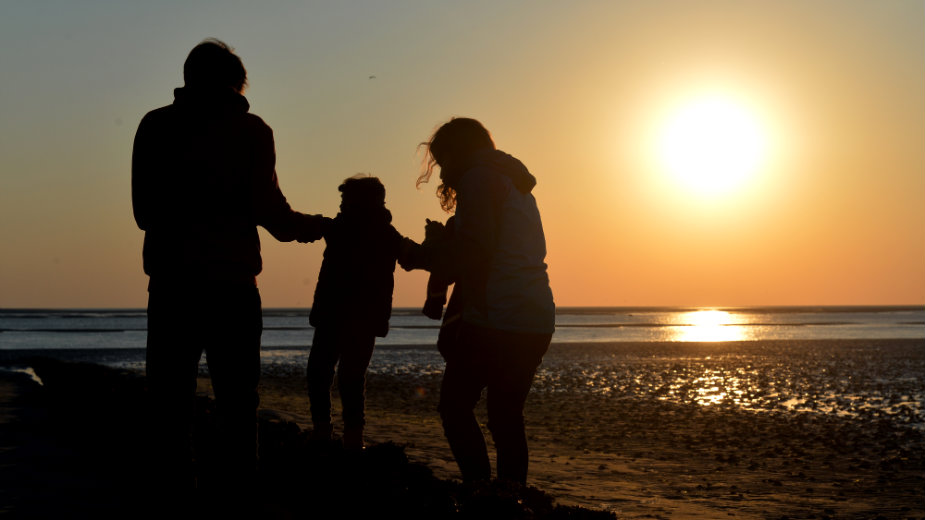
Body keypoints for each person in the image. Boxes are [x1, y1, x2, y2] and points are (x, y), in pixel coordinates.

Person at [131, 39, 325, 496]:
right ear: (236, 83)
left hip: (172, 285)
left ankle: (174, 497)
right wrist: (317, 227)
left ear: (188, 77)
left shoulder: (156, 125)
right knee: (238, 406)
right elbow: (272, 213)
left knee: (169, 405)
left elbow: (143, 212)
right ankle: (238, 503)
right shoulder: (252, 130)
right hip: (232, 286)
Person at [416, 117, 555, 484]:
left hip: (497, 315)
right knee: (506, 416)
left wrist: (429, 255)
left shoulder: (479, 179)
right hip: (534, 315)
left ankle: (480, 491)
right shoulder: (514, 180)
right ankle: (511, 498)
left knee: (455, 408)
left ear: (458, 151)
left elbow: (475, 253)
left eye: (443, 159)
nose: (443, 171)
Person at [306, 175, 424, 450]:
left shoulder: (347, 228)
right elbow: (413, 257)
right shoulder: (381, 232)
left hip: (338, 314)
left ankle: (330, 432)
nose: (342, 205)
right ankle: (348, 436)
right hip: (356, 316)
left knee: (324, 373)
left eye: (345, 200)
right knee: (347, 376)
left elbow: (412, 256)